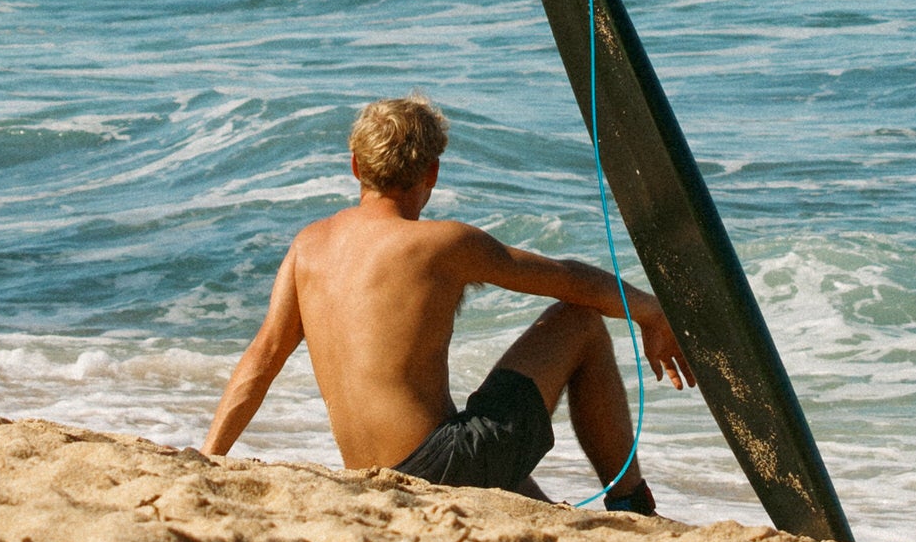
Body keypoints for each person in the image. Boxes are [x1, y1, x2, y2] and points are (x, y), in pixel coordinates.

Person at [204, 95, 687, 510]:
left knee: (476, 434)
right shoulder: (442, 244)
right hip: (440, 467)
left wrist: (209, 457)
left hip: (377, 476)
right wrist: (650, 310)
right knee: (580, 321)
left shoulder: (307, 245)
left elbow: (262, 359)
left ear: (355, 165)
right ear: (432, 171)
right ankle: (630, 500)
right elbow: (568, 282)